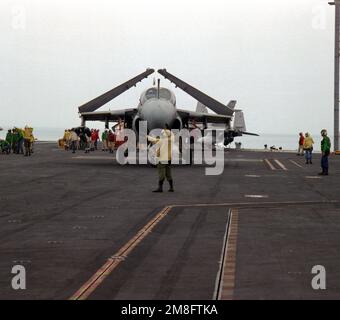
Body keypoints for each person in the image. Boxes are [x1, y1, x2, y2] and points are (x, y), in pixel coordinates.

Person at [148, 124, 175, 193]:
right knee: (169, 174)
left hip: (161, 160)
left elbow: (154, 140)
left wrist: (147, 136)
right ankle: (171, 187)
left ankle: (160, 188)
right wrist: (168, 129)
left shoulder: (161, 140)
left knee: (161, 174)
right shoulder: (171, 140)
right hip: (169, 159)